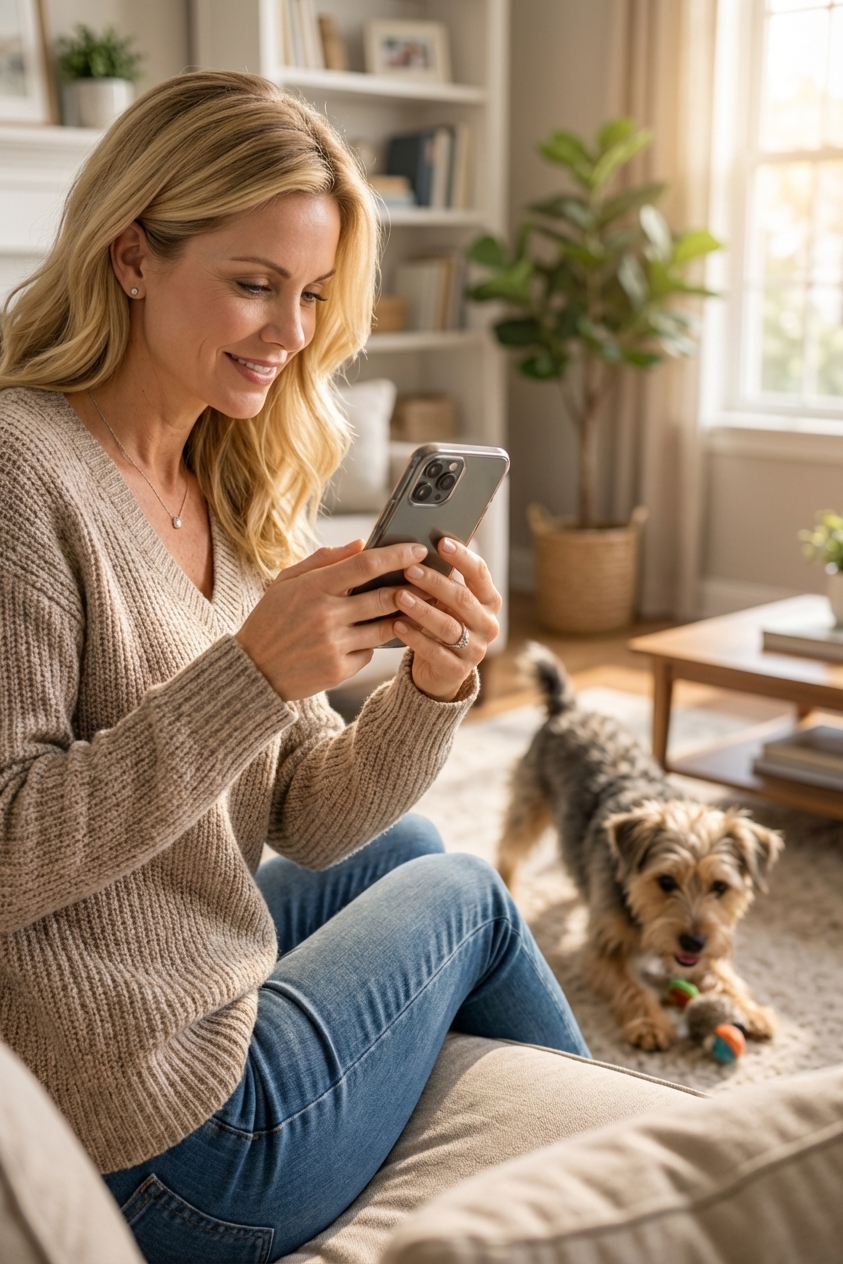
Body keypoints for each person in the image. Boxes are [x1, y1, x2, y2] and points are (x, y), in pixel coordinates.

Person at [0, 72, 589, 1262]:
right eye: (254, 284)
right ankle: (635, 1188)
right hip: (151, 1137)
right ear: (131, 258)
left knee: (406, 850)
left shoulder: (227, 479)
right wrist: (251, 676)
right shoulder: (24, 473)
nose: (293, 331)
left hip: (164, 974)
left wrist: (430, 687)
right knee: (468, 895)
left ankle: (513, 1138)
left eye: (313, 292)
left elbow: (308, 816)